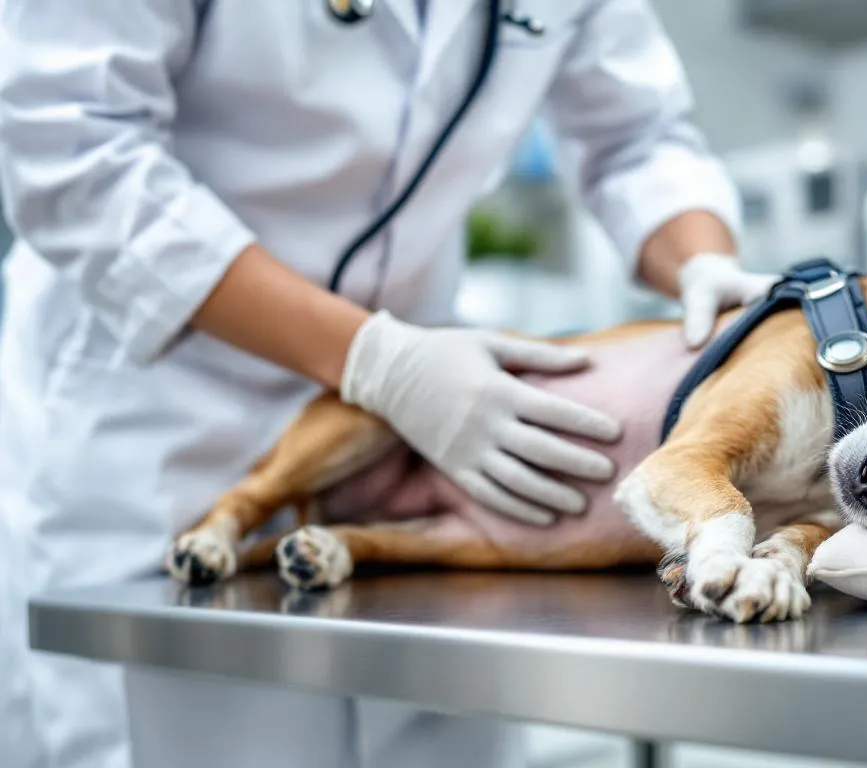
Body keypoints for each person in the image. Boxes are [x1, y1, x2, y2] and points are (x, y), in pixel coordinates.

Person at [0, 1, 779, 766]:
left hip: (425, 442)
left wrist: (704, 265)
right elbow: (75, 149)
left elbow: (637, 135)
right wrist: (375, 363)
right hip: (164, 418)